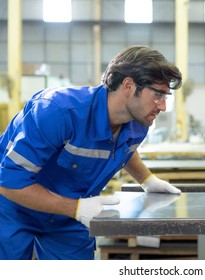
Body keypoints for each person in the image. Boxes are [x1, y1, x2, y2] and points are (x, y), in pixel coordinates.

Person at [0, 45, 182, 260]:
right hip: (13, 208)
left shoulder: (138, 122)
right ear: (129, 85)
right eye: (158, 95)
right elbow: (8, 182)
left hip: (70, 217)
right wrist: (76, 208)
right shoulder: (57, 111)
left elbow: (124, 148)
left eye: (166, 96)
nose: (162, 106)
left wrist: (147, 179)